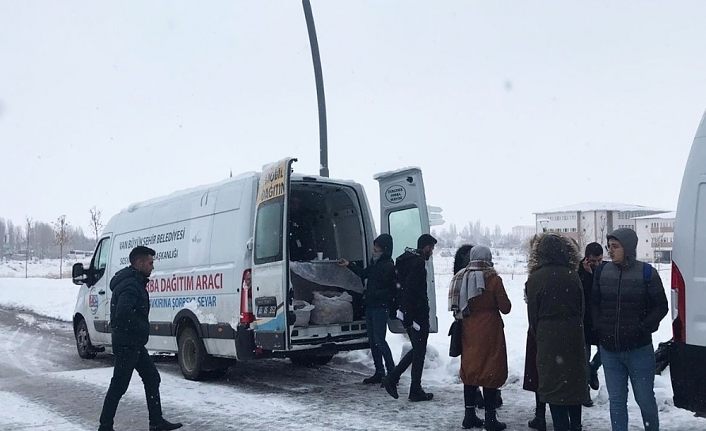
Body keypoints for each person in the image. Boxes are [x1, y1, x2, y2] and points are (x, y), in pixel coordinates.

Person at [592, 228, 668, 431]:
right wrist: (601, 328)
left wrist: (643, 328)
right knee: (616, 401)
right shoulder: (602, 272)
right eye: (609, 247)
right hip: (610, 351)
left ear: (628, 248)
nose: (610, 251)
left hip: (639, 351)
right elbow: (594, 304)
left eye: (615, 247)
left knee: (645, 399)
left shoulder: (646, 272)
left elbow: (661, 306)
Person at [98, 246, 182, 431]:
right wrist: (142, 327)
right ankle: (105, 426)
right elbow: (122, 313)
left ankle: (156, 422)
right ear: (139, 263)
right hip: (127, 344)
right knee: (119, 385)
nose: (153, 267)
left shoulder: (134, 281)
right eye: (150, 263)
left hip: (132, 343)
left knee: (152, 378)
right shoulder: (130, 285)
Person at [526, 233, 588, 431]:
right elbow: (582, 307)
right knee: (573, 384)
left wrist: (541, 332)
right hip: (573, 334)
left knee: (553, 385)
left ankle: (560, 426)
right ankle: (576, 425)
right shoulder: (573, 275)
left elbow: (532, 314)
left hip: (548, 336)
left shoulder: (536, 278)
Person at [449, 246, 511, 430]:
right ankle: (490, 419)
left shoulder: (461, 276)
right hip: (490, 330)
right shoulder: (493, 279)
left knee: (471, 371)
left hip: (468, 329)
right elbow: (506, 307)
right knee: (490, 371)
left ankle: (469, 416)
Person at [382, 233, 437, 402]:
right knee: (419, 351)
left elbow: (399, 287)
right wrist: (410, 313)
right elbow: (412, 290)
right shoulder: (418, 263)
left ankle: (404, 383)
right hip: (417, 314)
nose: (432, 252)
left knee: (418, 349)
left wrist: (401, 310)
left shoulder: (404, 260)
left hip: (407, 313)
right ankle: (404, 384)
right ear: (426, 247)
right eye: (432, 248)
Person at [339, 234, 396, 384]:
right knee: (373, 341)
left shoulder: (388, 265)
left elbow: (391, 290)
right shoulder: (376, 263)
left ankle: (392, 373)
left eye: (376, 247)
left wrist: (374, 294)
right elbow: (364, 273)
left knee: (380, 340)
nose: (373, 250)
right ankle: (379, 371)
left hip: (380, 308)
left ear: (384, 249)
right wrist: (349, 265)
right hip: (371, 306)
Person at [577, 242, 605, 406]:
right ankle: (585, 392)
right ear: (587, 259)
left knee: (604, 353)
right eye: (594, 261)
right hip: (585, 321)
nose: (597, 264)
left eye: (600, 260)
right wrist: (589, 275)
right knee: (583, 357)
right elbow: (586, 294)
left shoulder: (606, 268)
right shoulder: (578, 271)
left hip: (601, 321)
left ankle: (593, 368)